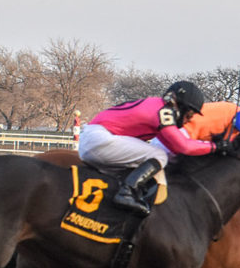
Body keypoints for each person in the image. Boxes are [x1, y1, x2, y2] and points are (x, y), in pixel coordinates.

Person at [79, 81, 226, 215]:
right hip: (98, 139)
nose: (189, 119)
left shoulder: (157, 107)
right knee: (159, 156)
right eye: (190, 114)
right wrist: (215, 147)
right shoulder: (164, 112)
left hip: (95, 139)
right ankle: (126, 193)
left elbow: (174, 148)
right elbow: (183, 146)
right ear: (181, 106)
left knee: (158, 157)